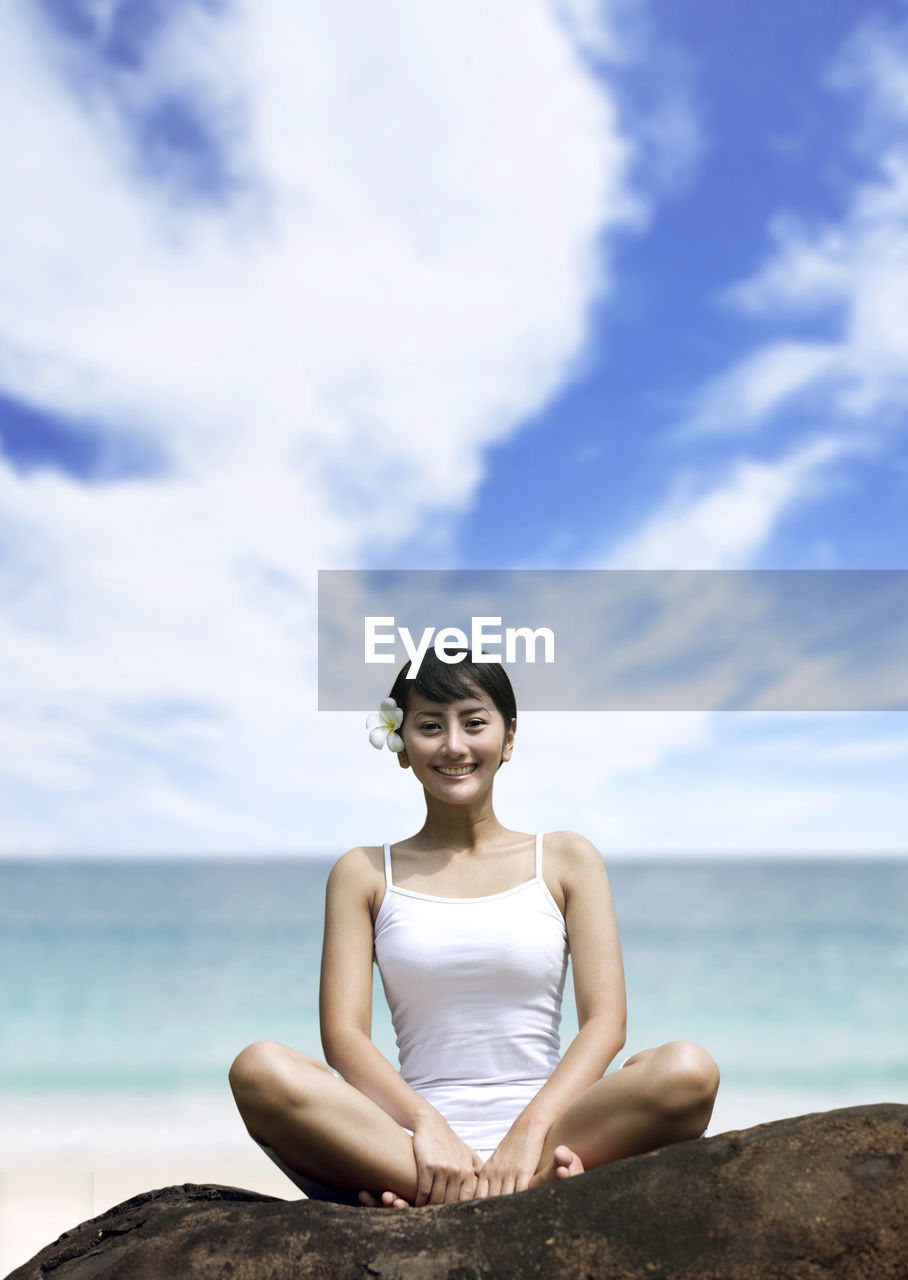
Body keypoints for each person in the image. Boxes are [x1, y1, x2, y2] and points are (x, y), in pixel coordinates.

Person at [229, 650, 719, 1208]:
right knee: (259, 1069)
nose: (454, 745)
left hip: (554, 1130)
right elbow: (344, 1038)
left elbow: (605, 1024)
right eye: (430, 726)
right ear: (402, 745)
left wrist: (531, 1129)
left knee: (687, 1070)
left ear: (509, 739)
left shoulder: (565, 859)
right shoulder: (362, 873)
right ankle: (500, 1192)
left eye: (475, 722)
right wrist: (424, 1124)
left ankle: (494, 1186)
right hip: (411, 1145)